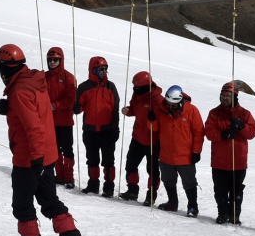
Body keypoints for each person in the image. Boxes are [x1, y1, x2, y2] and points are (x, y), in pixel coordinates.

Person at [0, 43, 87, 236]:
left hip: (30, 158)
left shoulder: (20, 90)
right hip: (46, 154)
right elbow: (36, 110)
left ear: (5, 68)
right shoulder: (33, 81)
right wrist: (9, 106)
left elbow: (33, 126)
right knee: (49, 200)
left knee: (22, 204)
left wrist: (36, 159)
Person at [204, 81, 255, 225]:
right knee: (220, 191)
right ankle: (222, 214)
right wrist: (223, 134)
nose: (225, 98)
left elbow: (252, 132)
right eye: (223, 95)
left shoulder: (244, 114)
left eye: (228, 95)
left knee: (236, 190)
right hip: (219, 162)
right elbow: (208, 132)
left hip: (238, 162)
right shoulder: (214, 113)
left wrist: (241, 126)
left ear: (234, 97)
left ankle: (234, 215)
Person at [152, 85, 203, 217]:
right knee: (168, 180)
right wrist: (151, 120)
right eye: (168, 104)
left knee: (189, 182)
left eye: (173, 105)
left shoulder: (191, 110)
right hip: (166, 154)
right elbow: (154, 129)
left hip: (185, 156)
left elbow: (199, 132)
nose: (170, 107)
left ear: (180, 101)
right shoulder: (160, 109)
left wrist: (196, 151)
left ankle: (193, 206)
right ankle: (172, 202)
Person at [74, 56, 120, 197]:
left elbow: (115, 109)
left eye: (105, 69)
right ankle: (93, 185)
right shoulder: (84, 87)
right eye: (101, 69)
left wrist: (115, 128)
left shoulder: (110, 87)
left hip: (107, 131)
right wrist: (76, 107)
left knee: (108, 161)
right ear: (93, 70)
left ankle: (109, 187)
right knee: (92, 159)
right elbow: (79, 107)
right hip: (90, 131)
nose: (104, 71)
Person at [118, 71, 161, 204]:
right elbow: (134, 109)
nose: (136, 90)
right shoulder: (137, 94)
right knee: (130, 165)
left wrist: (154, 120)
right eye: (134, 87)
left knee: (152, 170)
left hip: (153, 141)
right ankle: (132, 191)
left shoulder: (158, 100)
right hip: (137, 137)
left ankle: (151, 196)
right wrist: (128, 110)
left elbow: (164, 122)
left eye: (138, 88)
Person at [43, 46, 78, 185]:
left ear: (61, 60)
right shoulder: (43, 77)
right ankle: (59, 175)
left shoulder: (69, 78)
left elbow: (70, 100)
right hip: (49, 121)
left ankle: (69, 178)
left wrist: (54, 106)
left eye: (55, 60)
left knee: (67, 149)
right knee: (54, 149)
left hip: (65, 121)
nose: (52, 62)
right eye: (50, 60)